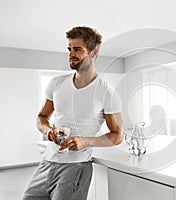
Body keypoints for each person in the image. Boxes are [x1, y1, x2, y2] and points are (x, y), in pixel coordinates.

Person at [22, 26, 123, 200]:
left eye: (77, 49)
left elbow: (117, 135)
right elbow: (41, 117)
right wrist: (49, 131)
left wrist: (85, 141)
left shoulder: (106, 92)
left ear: (94, 53)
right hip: (46, 163)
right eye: (69, 49)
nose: (71, 54)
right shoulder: (56, 83)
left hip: (76, 168)